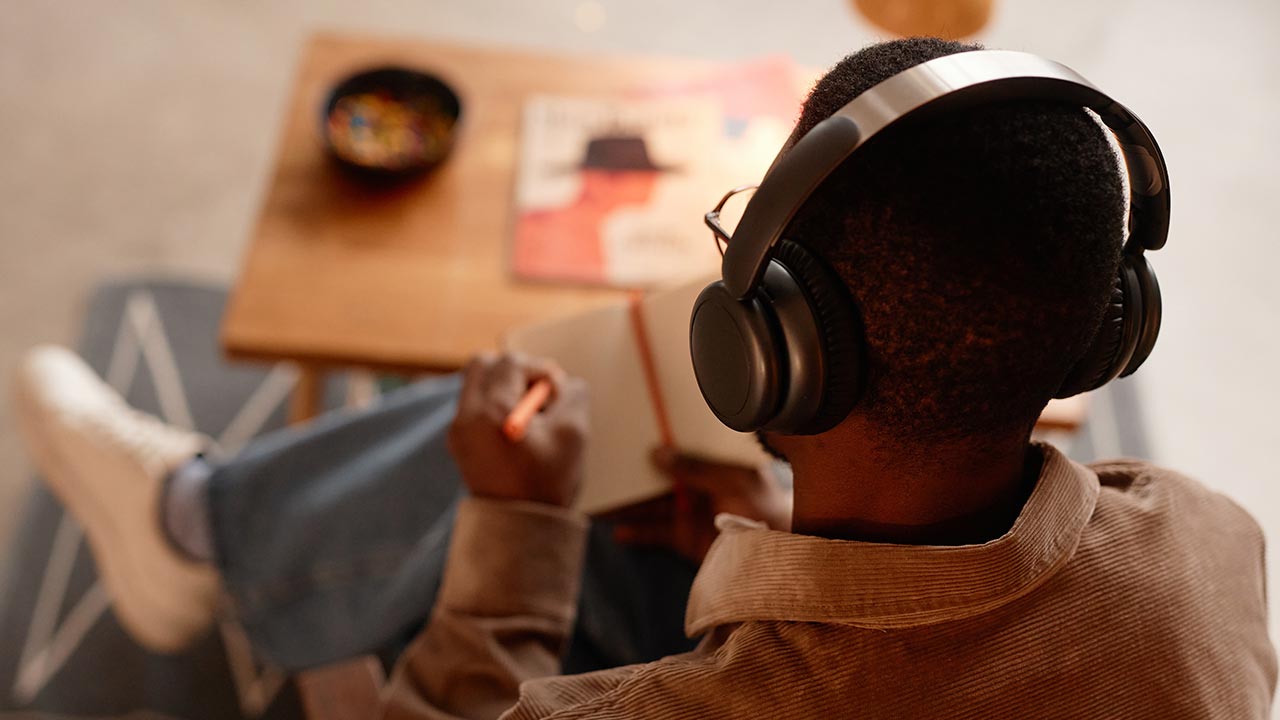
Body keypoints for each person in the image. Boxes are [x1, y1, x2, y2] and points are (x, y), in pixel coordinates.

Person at [12, 36, 1276, 718]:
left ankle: (200, 529)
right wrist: (778, 534)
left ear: (773, 344)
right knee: (621, 529)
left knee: (498, 487)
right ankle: (201, 523)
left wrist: (515, 528)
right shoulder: (1211, 549)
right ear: (1102, 331)